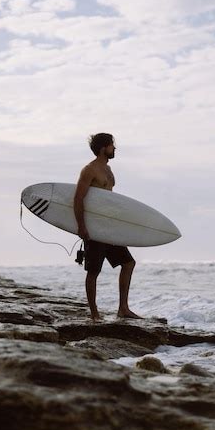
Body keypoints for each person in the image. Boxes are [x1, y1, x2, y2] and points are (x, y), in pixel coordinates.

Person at [74, 133, 141, 321]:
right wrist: (82, 227)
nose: (115, 148)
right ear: (104, 148)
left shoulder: (109, 170)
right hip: (95, 229)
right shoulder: (89, 170)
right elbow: (78, 198)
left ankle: (123, 308)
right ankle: (94, 314)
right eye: (112, 145)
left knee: (128, 263)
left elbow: (108, 200)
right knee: (93, 271)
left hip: (109, 228)